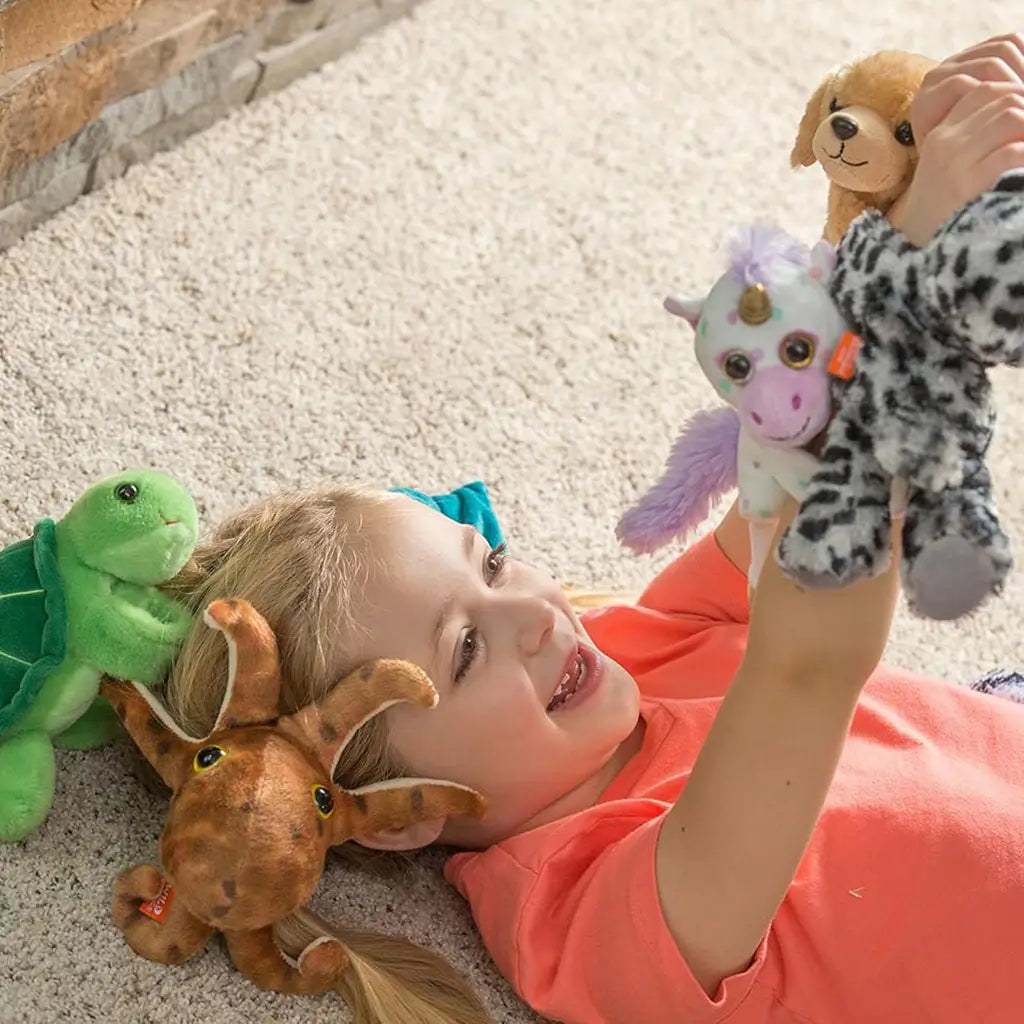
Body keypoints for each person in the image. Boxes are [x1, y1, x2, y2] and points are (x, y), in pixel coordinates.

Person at [159, 33, 1024, 1024]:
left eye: (492, 560)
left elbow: (820, 432)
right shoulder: (579, 915)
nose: (532, 612)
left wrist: (910, 204)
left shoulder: (639, 639)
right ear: (409, 814)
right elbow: (809, 656)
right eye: (467, 645)